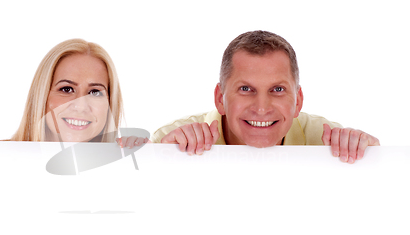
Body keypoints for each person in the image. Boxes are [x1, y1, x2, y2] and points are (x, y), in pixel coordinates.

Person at [152, 30, 379, 163]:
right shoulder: (170, 139)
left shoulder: (325, 142)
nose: (261, 108)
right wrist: (162, 160)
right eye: (246, 89)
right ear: (220, 98)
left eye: (277, 90)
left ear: (298, 101)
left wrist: (371, 157)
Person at [0, 39, 147, 149]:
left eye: (95, 92)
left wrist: (169, 156)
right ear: (42, 96)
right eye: (66, 89)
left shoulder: (128, 165)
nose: (81, 105)